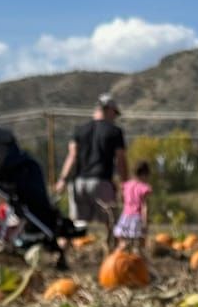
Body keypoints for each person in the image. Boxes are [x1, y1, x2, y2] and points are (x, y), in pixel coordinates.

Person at [54, 95, 127, 240]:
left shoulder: (80, 130)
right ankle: (112, 255)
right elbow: (121, 160)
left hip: (79, 183)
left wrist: (62, 179)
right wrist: (125, 183)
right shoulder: (115, 132)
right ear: (108, 110)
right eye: (114, 113)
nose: (115, 117)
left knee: (75, 224)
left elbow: (72, 157)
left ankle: (62, 254)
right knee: (111, 223)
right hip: (101, 182)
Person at [113, 162, 152, 253]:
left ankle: (115, 258)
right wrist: (145, 223)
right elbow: (144, 206)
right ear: (144, 174)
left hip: (125, 216)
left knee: (122, 243)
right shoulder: (143, 187)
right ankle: (138, 263)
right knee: (137, 246)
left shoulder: (126, 185)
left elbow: (121, 199)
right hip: (136, 218)